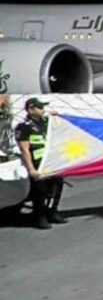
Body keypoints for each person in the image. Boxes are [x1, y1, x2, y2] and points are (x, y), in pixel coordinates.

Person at [14, 97, 66, 229]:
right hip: (38, 163)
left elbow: (63, 130)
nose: (43, 110)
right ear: (31, 109)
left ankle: (52, 212)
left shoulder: (48, 122)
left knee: (56, 188)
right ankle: (39, 216)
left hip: (52, 161)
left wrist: (59, 118)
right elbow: (24, 150)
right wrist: (31, 169)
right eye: (40, 108)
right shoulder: (24, 127)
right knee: (40, 191)